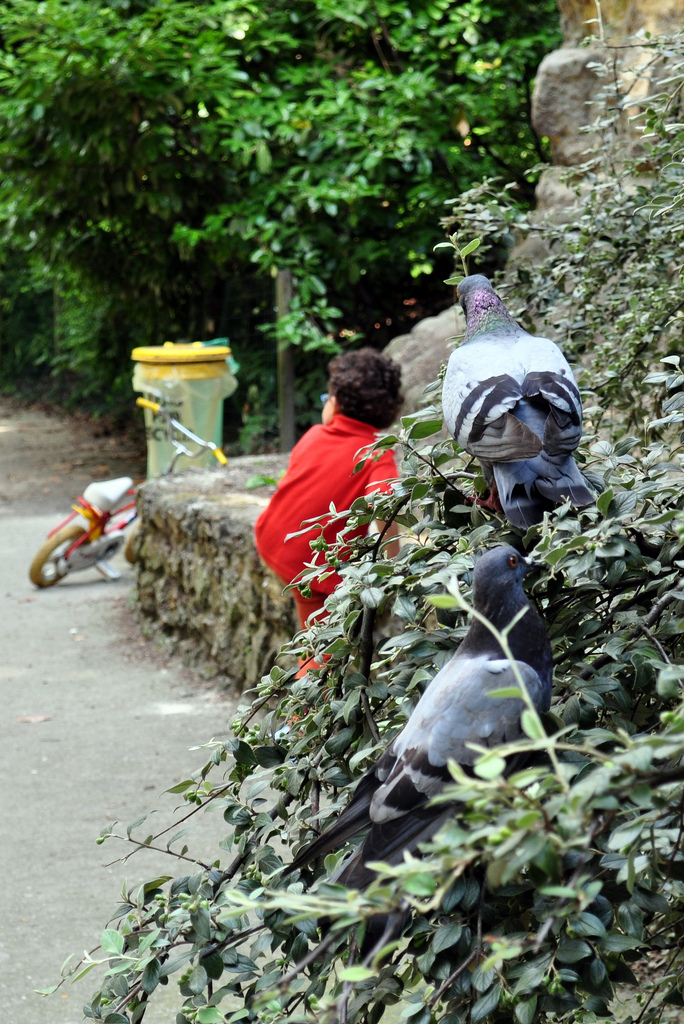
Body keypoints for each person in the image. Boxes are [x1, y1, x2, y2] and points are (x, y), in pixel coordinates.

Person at [254, 347, 403, 631]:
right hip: (312, 567)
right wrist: (391, 568)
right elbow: (385, 504)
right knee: (323, 652)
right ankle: (312, 670)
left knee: (311, 629)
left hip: (274, 539)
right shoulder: (376, 453)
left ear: (334, 404)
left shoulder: (314, 436)